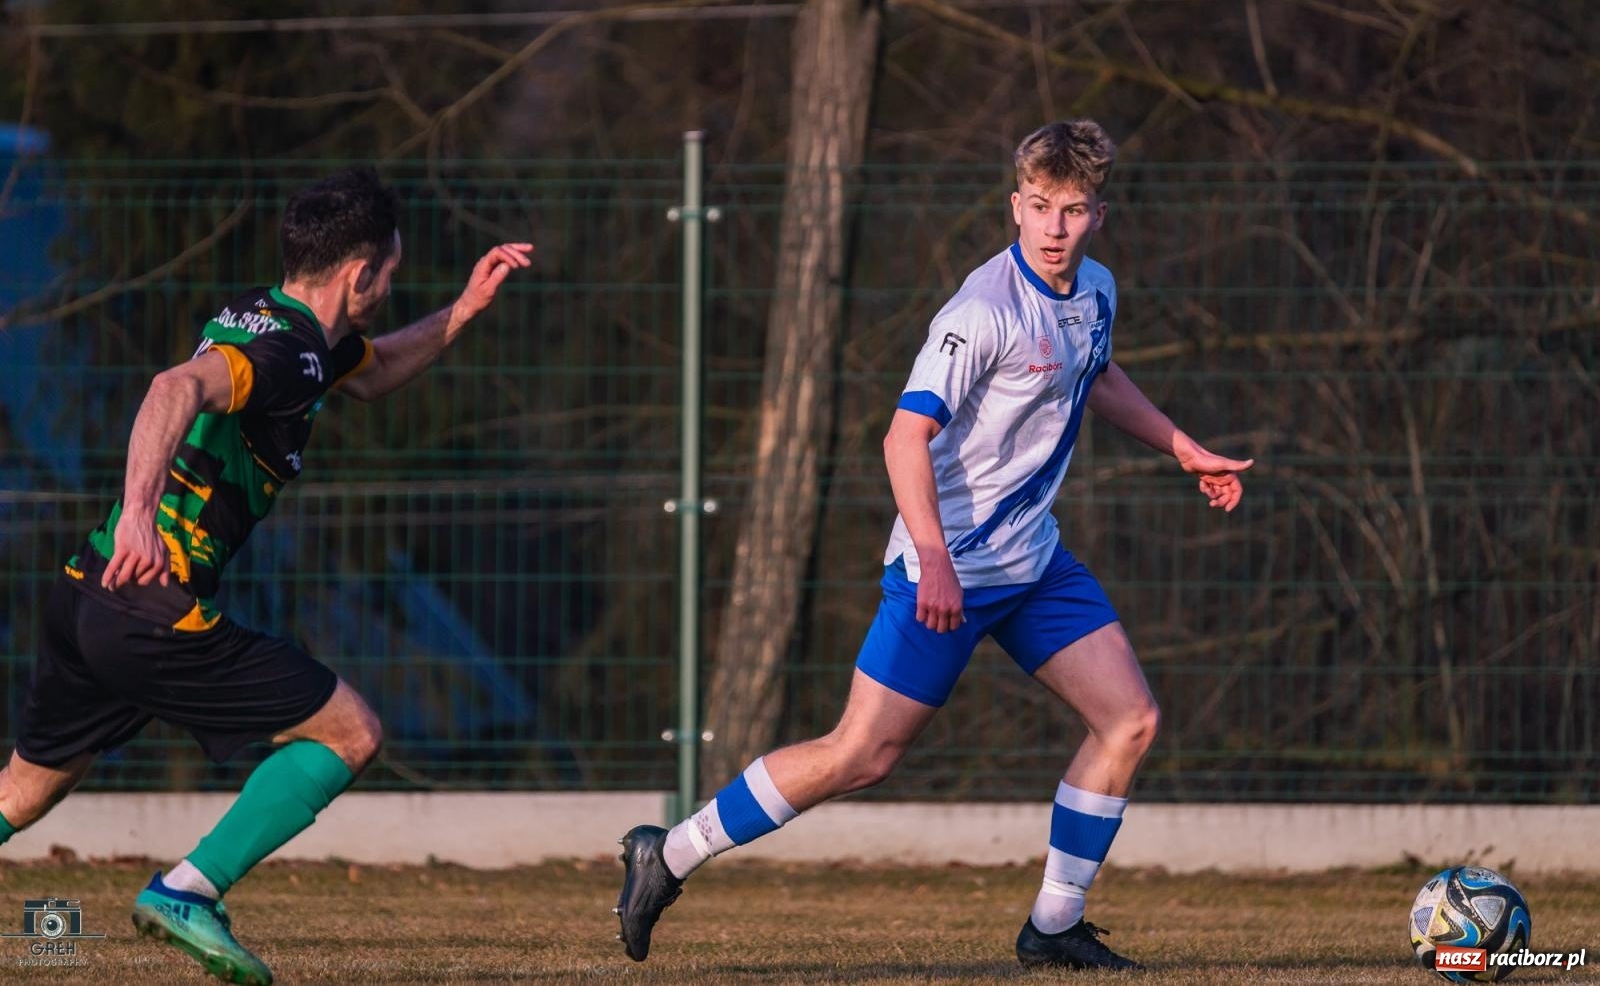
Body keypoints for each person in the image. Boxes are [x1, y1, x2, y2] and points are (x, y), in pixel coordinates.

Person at [614, 119, 1254, 970]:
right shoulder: (982, 310)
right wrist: (938, 560)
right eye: (1039, 206)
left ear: (1099, 214)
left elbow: (1094, 373)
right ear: (1015, 206)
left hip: (1034, 563)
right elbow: (902, 438)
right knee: (861, 754)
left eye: (1072, 210)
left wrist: (1182, 447)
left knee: (1129, 720)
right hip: (944, 568)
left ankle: (1054, 924)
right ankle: (670, 852)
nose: (1054, 227)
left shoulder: (1096, 288)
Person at [0, 167, 532, 986]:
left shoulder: (270, 318)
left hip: (87, 589)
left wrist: (463, 309)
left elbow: (374, 370)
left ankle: (182, 889)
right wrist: (140, 510)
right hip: (150, 605)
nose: (392, 285)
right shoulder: (289, 353)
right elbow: (173, 386)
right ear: (359, 273)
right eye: (391, 271)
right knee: (351, 732)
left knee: (23, 791)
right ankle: (187, 890)